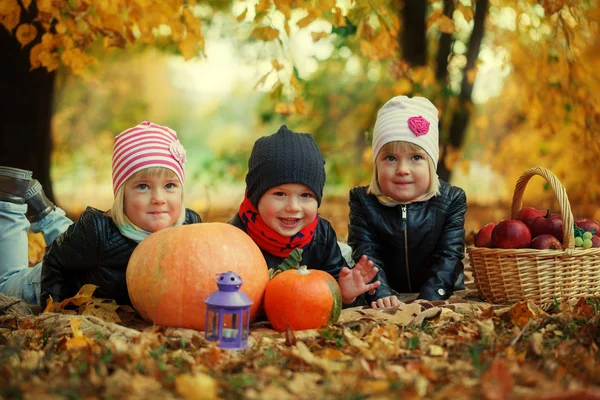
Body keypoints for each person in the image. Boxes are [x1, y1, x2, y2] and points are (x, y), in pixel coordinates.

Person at [0, 121, 202, 306]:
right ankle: (10, 202)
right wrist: (55, 306)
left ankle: (44, 211)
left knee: (73, 241)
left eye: (169, 185)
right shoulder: (99, 231)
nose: (159, 198)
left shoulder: (190, 226)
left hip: (81, 254)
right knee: (5, 286)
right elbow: (56, 260)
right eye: (143, 186)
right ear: (122, 195)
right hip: (44, 283)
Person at [229, 125, 380, 306]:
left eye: (306, 195)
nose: (293, 207)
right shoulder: (235, 238)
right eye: (280, 194)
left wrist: (345, 294)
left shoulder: (321, 235)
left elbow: (335, 287)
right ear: (256, 196)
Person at [348, 96, 466, 308]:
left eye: (416, 158)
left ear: (431, 162)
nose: (402, 169)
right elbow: (366, 252)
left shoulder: (451, 201)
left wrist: (433, 294)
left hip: (436, 289)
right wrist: (380, 291)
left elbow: (449, 255)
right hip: (388, 291)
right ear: (376, 164)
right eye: (391, 158)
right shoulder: (364, 203)